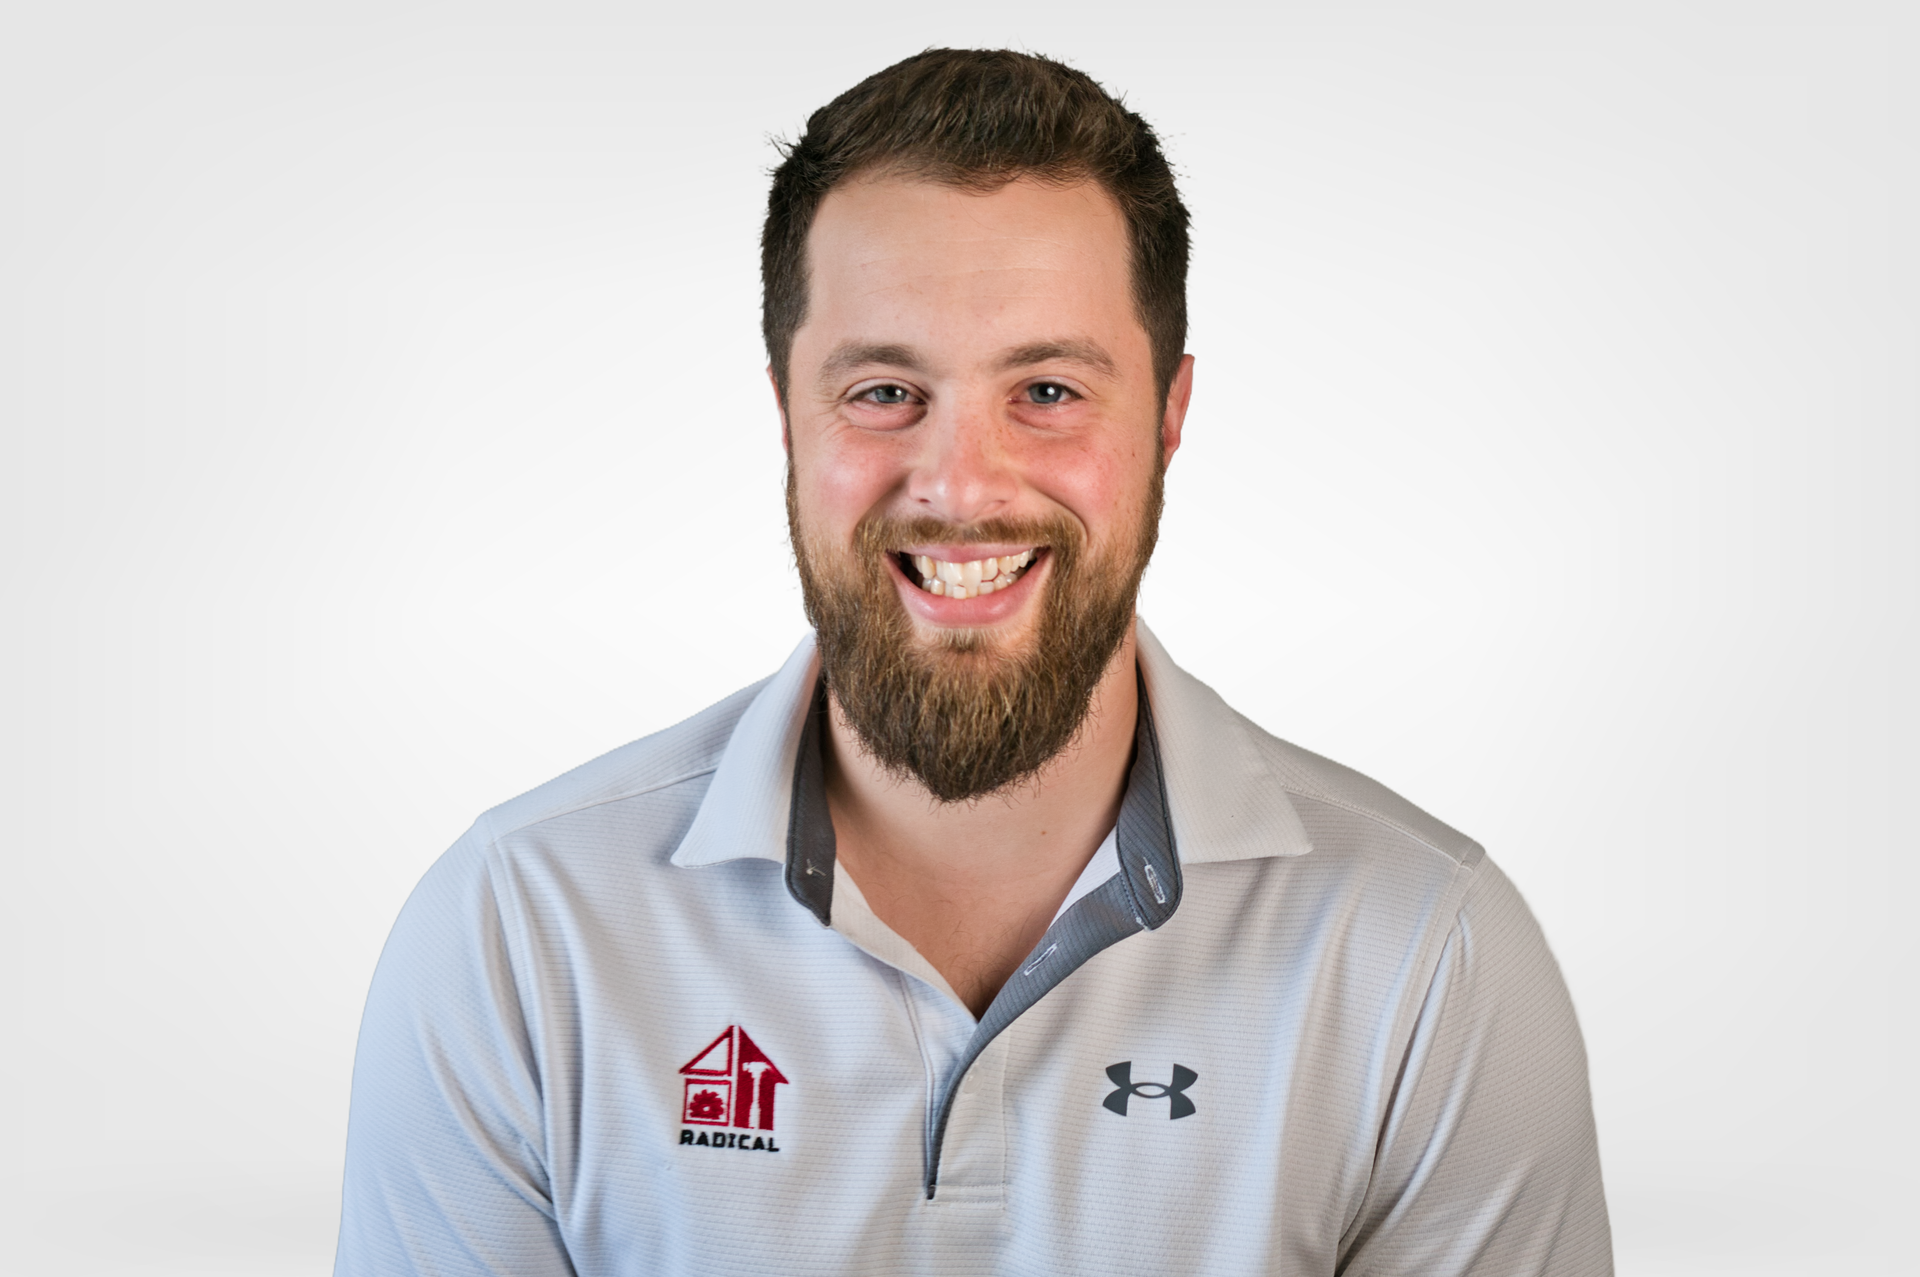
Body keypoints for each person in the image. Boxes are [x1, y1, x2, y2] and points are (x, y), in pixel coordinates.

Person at [334, 48, 1611, 1276]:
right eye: (885, 390)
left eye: (1048, 390)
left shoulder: (1424, 958)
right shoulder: (517, 933)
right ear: (785, 411)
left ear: (1168, 417)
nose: (959, 485)